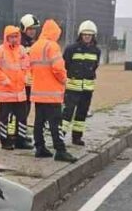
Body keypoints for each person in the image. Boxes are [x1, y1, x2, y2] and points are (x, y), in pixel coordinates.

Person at [28, 19, 76, 162]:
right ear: (55, 33)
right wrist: (64, 80)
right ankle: (60, 150)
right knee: (56, 123)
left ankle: (40, 148)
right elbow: (58, 68)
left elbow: (30, 68)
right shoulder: (53, 46)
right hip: (52, 93)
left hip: (38, 92)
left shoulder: (35, 46)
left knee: (39, 122)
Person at [0, 25, 32, 149]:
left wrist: (25, 78)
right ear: (6, 37)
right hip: (5, 92)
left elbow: (26, 67)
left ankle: (21, 140)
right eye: (11, 37)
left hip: (20, 91)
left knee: (22, 118)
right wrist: (6, 80)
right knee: (4, 119)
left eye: (16, 36)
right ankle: (5, 141)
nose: (14, 39)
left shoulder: (22, 50)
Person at [61, 20, 101, 147]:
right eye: (85, 34)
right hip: (72, 87)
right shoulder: (71, 49)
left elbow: (95, 67)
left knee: (82, 113)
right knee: (67, 113)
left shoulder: (96, 51)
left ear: (93, 36)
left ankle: (77, 137)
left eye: (90, 35)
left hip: (87, 89)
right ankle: (60, 136)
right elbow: (64, 65)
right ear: (80, 35)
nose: (87, 37)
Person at [17, 13, 40, 144]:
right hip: (21, 83)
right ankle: (17, 137)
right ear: (24, 29)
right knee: (20, 111)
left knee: (25, 110)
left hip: (30, 83)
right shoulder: (20, 43)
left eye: (34, 29)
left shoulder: (33, 43)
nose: (32, 32)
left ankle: (21, 134)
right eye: (30, 29)